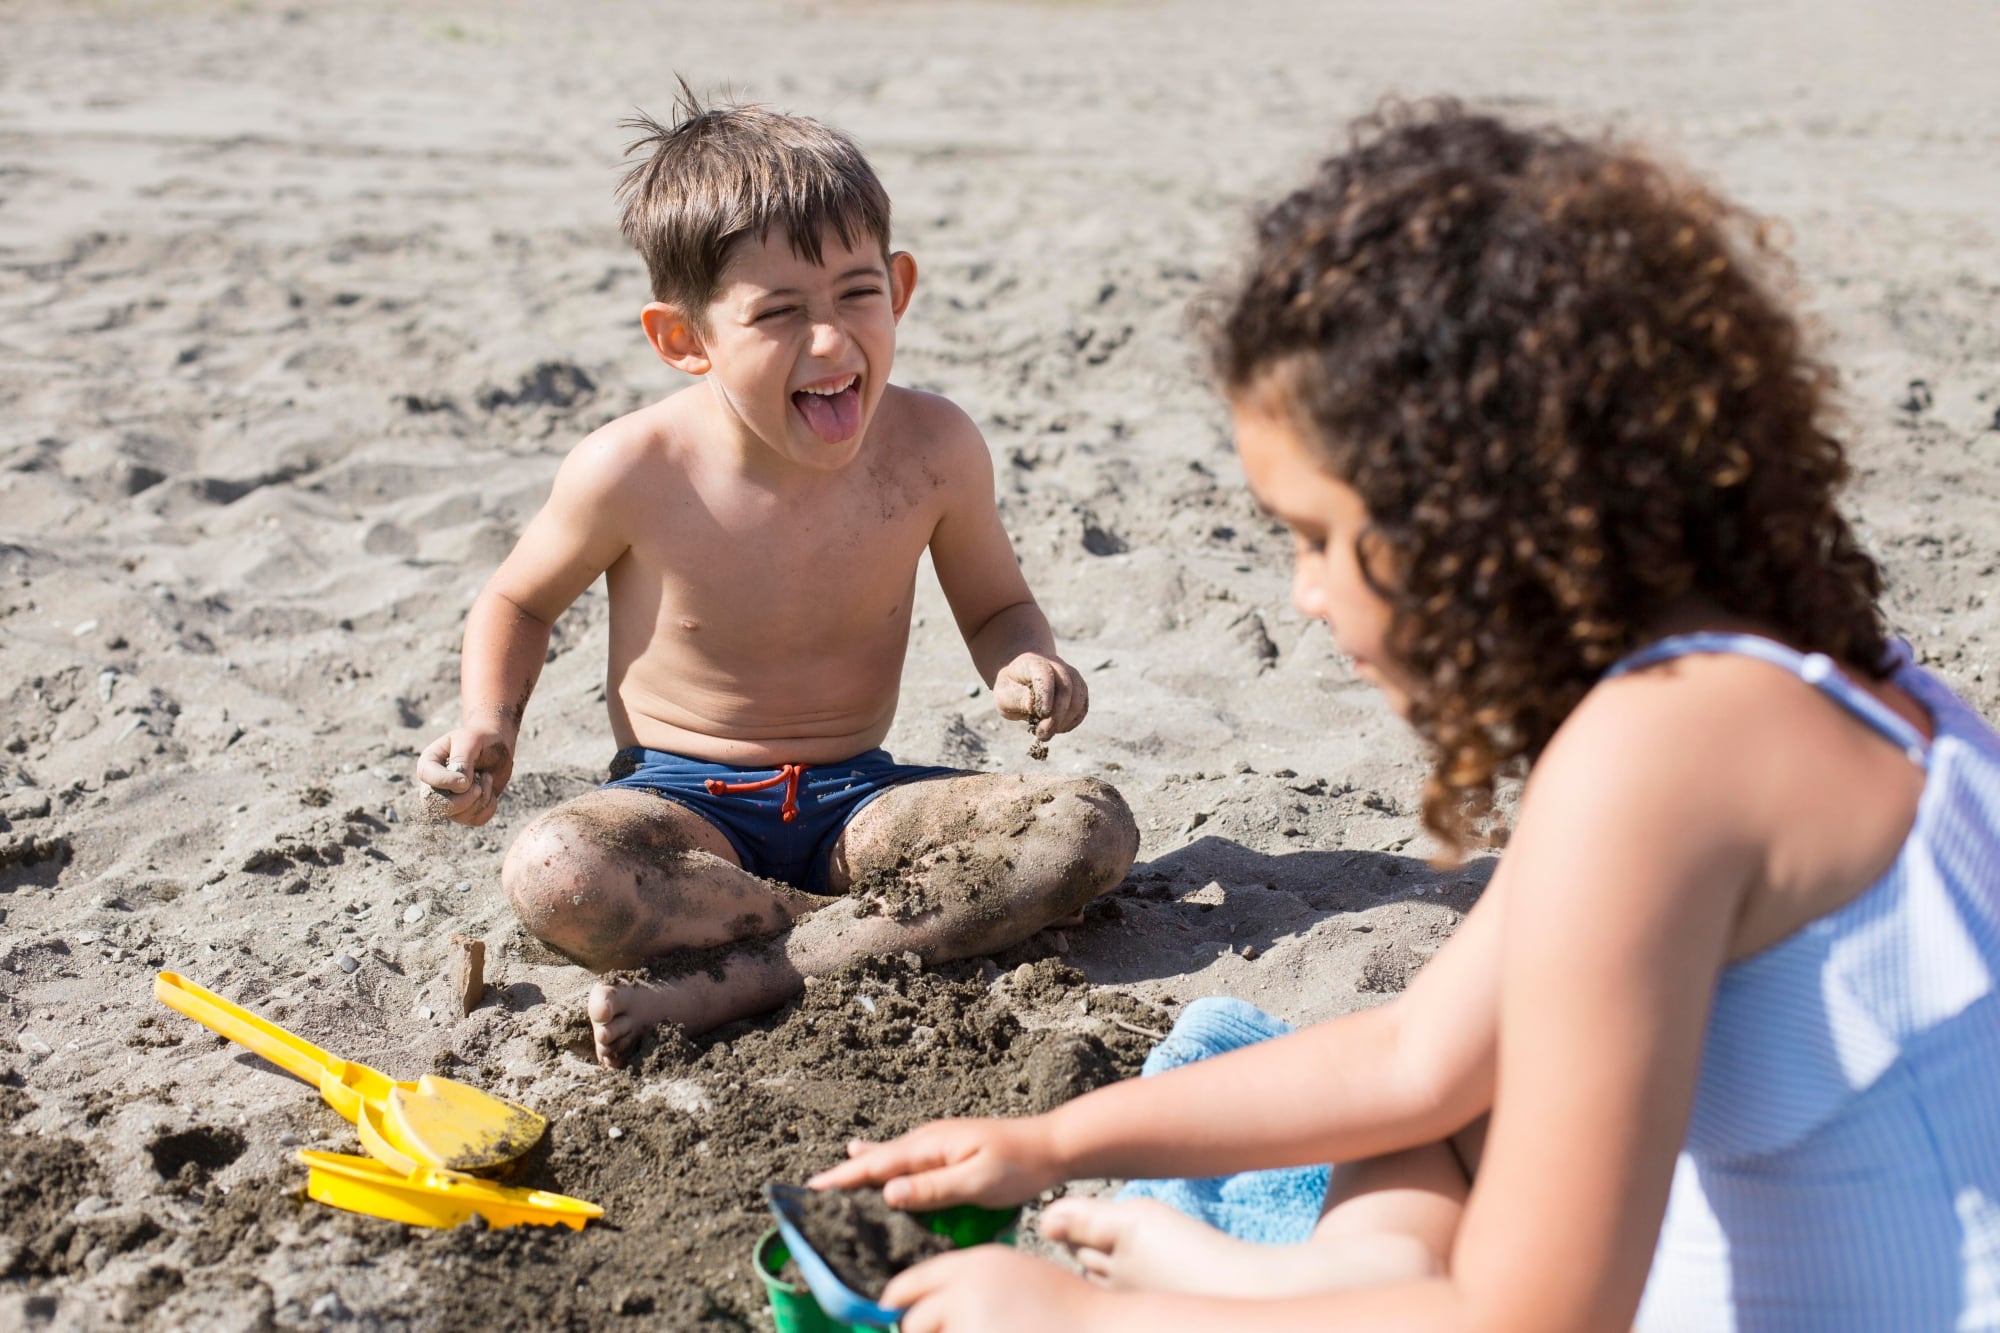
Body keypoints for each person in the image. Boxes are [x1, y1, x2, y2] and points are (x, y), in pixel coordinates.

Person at [812, 103, 2000, 1332]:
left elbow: (1527, 1324)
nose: (1303, 593)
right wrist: (1044, 1142)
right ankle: (1283, 1287)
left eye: (1322, 537)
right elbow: (1412, 1058)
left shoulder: (1658, 761)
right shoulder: (1804, 677)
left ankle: (1256, 1286)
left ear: (1476, 516)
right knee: (1448, 1100)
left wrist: (1083, 1320)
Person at [414, 85, 1138, 1068]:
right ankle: (848, 935)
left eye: (856, 294)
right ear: (683, 340)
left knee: (1082, 826)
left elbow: (998, 605)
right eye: (778, 314)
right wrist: (489, 723)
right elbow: (518, 598)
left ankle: (769, 966)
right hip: (681, 813)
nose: (832, 340)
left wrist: (1026, 664)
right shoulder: (634, 468)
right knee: (556, 870)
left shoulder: (934, 447)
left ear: (901, 286)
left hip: (858, 802)